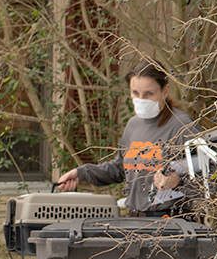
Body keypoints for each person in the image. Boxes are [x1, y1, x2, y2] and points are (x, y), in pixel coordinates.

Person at [57, 59, 202, 217]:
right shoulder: (133, 125)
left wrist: (177, 183)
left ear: (165, 91)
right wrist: (82, 173)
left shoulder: (182, 126)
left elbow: (209, 178)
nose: (141, 99)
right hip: (135, 221)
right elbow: (120, 168)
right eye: (135, 93)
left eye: (149, 93)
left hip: (170, 224)